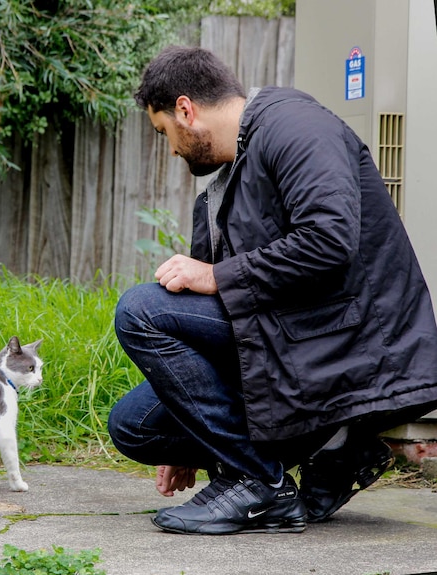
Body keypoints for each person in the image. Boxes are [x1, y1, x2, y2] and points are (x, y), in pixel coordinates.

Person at [108, 45, 437, 535]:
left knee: (140, 310)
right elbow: (228, 312)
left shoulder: (297, 128)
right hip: (288, 336)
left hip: (348, 340)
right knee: (135, 424)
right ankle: (337, 451)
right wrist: (203, 433)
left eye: (164, 133)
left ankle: (258, 483)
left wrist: (216, 275)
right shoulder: (220, 187)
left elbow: (328, 240)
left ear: (185, 109)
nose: (171, 149)